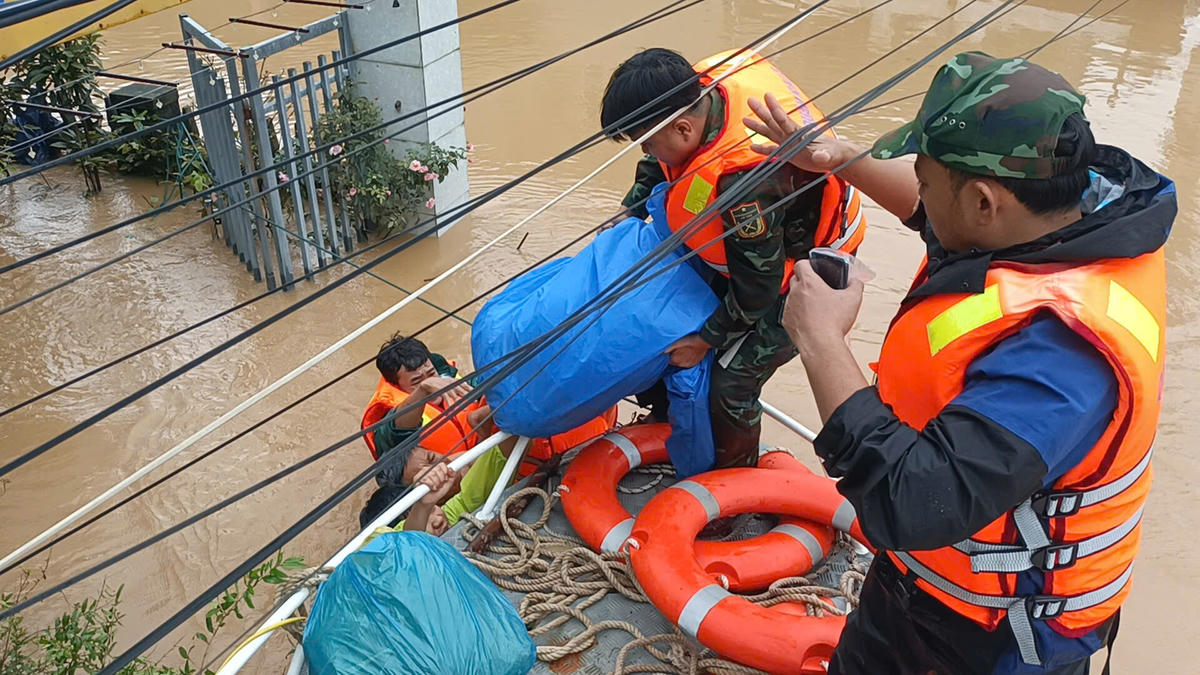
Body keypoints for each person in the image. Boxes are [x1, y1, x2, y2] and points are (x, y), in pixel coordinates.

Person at [748, 52, 1174, 673]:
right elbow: (942, 220)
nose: (917, 195)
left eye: (924, 178)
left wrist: (819, 341)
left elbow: (913, 503)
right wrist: (840, 160)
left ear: (983, 201)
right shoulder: (1066, 215)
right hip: (919, 590)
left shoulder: (1061, 355)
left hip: (990, 633)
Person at [601, 47, 866, 468]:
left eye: (647, 141)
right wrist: (630, 208)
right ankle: (668, 418)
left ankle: (735, 486)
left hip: (799, 268)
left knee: (730, 383)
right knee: (653, 321)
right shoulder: (696, 91)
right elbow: (660, 165)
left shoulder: (744, 184)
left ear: (684, 129)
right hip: (750, 251)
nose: (646, 150)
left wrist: (705, 339)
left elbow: (757, 289)